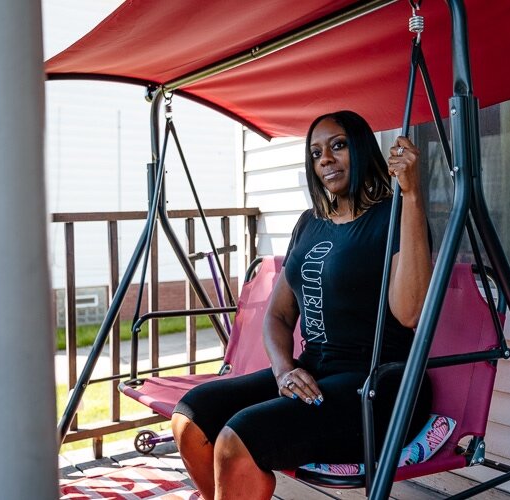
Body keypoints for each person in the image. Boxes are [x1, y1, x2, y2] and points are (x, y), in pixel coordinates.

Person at [171, 110, 433, 500]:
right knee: (191, 417)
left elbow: (410, 312)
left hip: (378, 386)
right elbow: (278, 315)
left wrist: (410, 196)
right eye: (315, 153)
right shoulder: (309, 223)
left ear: (361, 148)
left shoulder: (392, 217)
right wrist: (283, 370)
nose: (325, 159)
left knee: (237, 438)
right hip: (314, 373)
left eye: (338, 146)